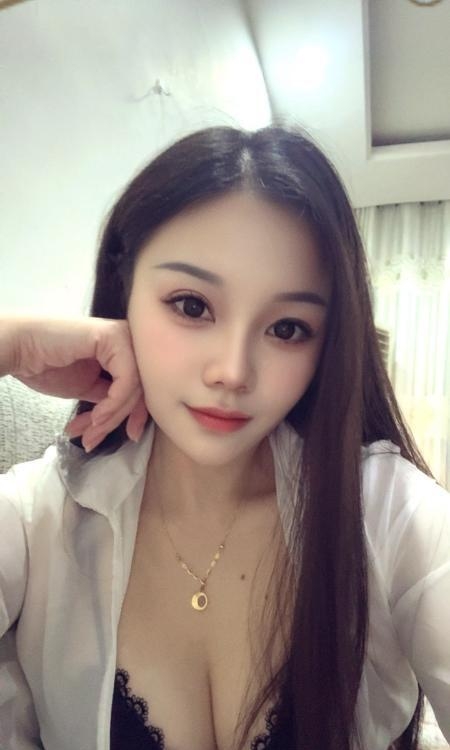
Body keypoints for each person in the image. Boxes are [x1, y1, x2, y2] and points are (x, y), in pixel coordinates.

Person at [0, 125, 449, 750]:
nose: (233, 372)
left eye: (287, 328)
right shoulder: (35, 520)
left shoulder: (387, 513)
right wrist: (10, 343)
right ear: (125, 289)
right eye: (191, 306)